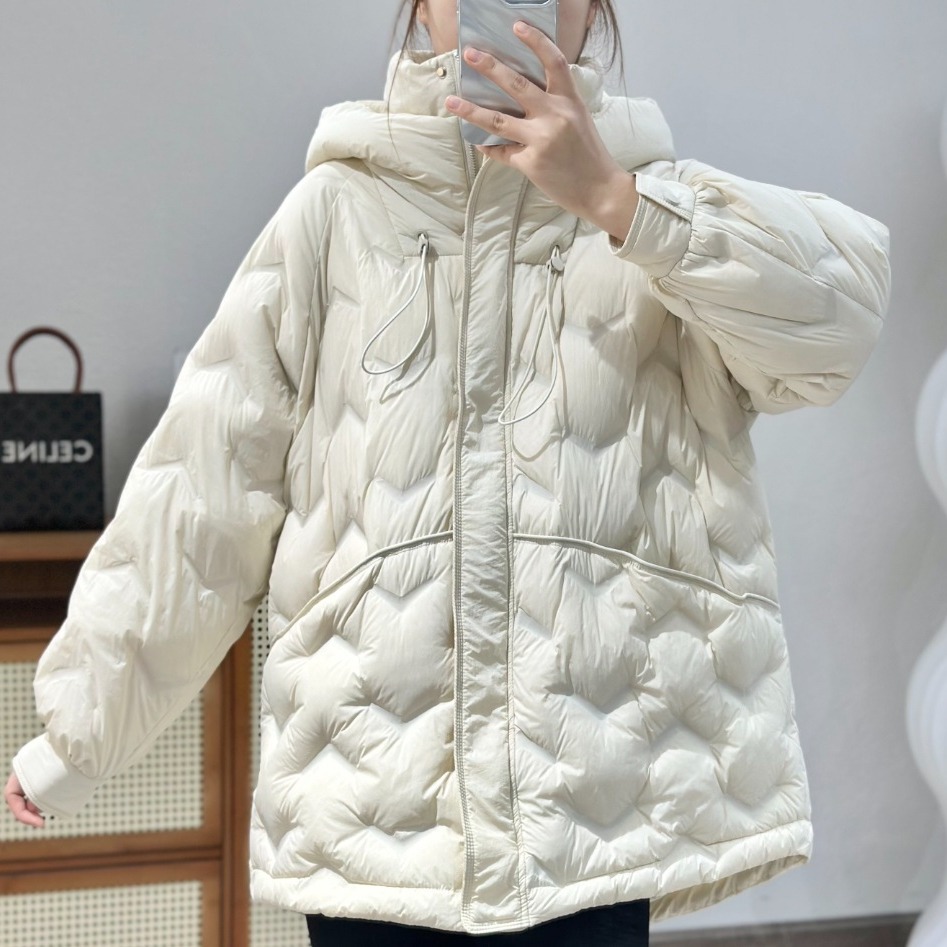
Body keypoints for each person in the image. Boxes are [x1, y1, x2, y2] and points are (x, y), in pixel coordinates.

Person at [6, 0, 891, 944]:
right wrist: (79, 737)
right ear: (420, 11)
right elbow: (201, 493)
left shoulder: (657, 215)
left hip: (593, 810)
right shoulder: (334, 213)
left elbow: (838, 330)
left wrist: (619, 203)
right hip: (371, 804)